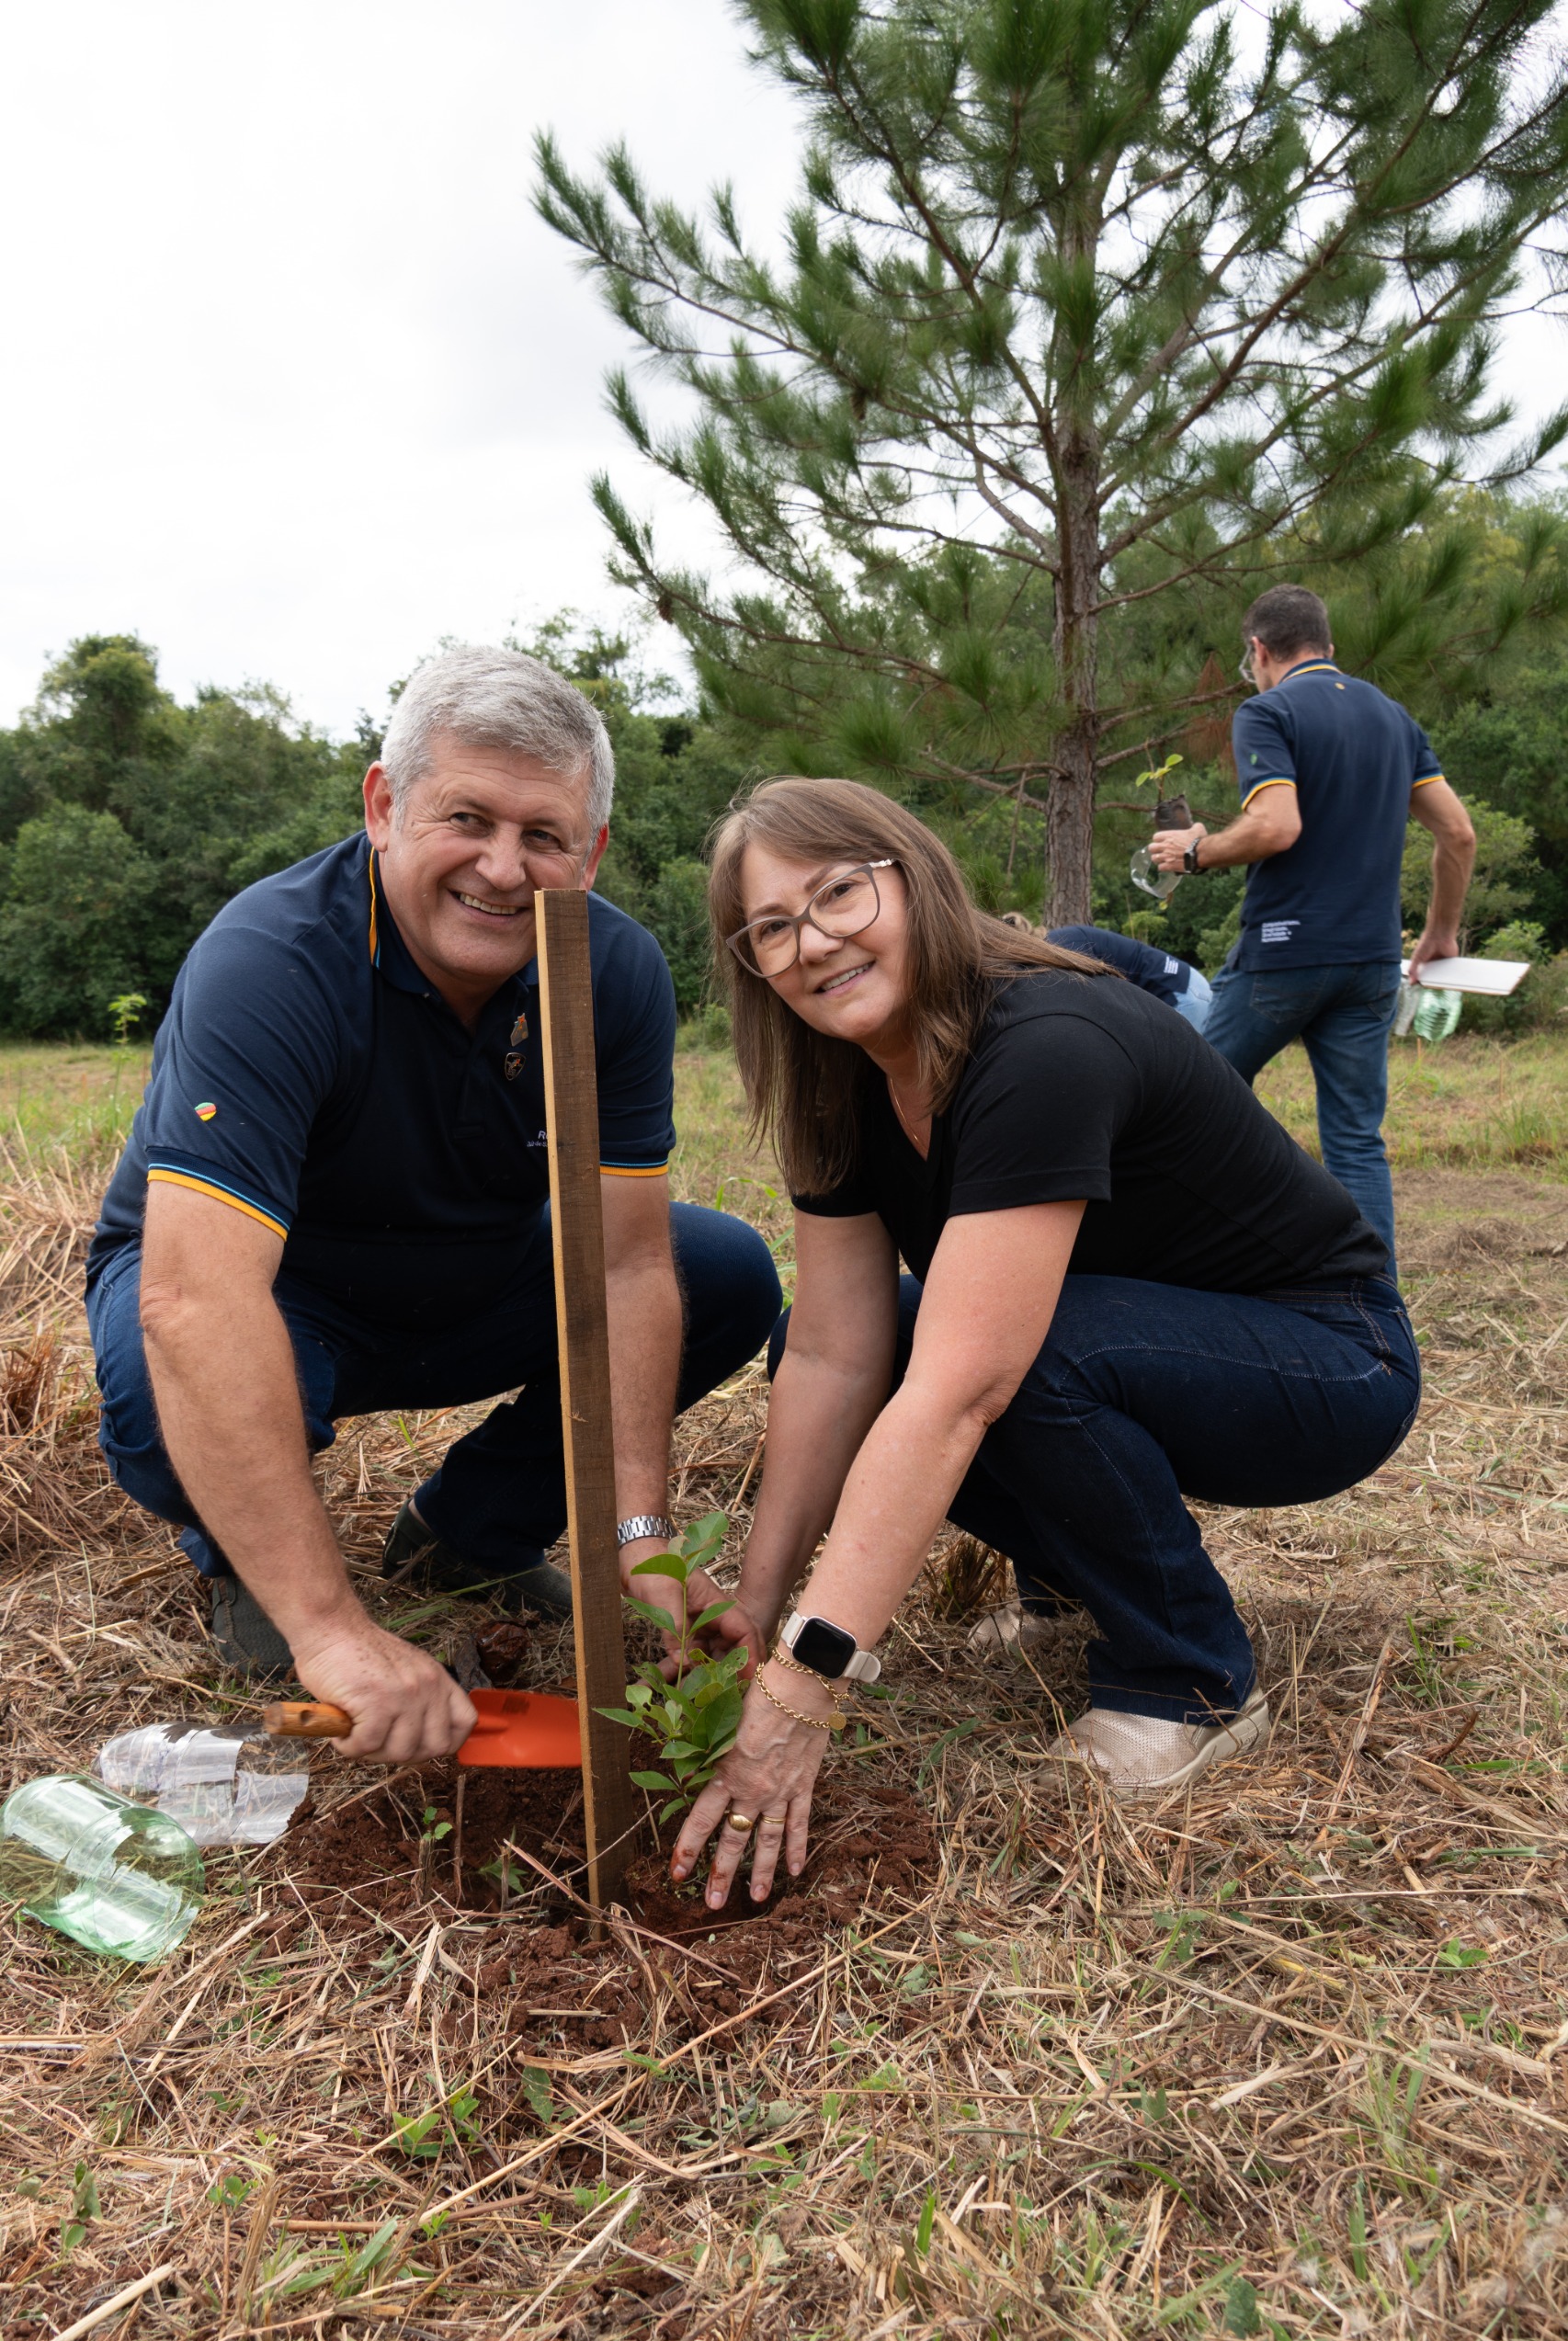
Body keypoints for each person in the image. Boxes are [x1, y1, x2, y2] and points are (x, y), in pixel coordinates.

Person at [666, 776, 1420, 1913]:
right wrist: (759, 1607)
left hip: (1328, 1358)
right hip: (1138, 1342)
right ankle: (1076, 1583)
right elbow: (830, 1354)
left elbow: (964, 1387)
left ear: (911, 879)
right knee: (889, 1337)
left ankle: (1188, 1681)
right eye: (771, 927)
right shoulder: (841, 1088)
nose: (812, 942)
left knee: (1007, 1356)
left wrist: (802, 1690)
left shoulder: (1040, 1040)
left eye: (836, 894)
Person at [85, 647, 780, 1763]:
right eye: (467, 817)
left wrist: (639, 1540)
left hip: (477, 1272)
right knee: (154, 1382)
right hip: (281, 1294)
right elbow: (196, 1299)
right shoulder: (275, 960)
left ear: (590, 852)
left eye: (543, 835)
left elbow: (626, 1268)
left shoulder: (610, 972)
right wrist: (334, 1629)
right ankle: (252, 1568)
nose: (502, 870)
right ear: (383, 806)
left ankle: (468, 1534)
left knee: (725, 1273)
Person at [1143, 585, 1476, 1266]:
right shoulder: (1394, 719)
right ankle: (1374, 1310)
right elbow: (1460, 834)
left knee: (1190, 1100)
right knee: (1356, 1141)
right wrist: (1441, 931)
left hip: (1284, 953)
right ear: (1329, 645)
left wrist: (1196, 851)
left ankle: (1184, 1263)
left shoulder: (1269, 711)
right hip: (1373, 961)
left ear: (1259, 651)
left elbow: (1277, 826)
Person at [1043, 924, 1212, 1033]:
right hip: (1186, 987)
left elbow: (1095, 1000)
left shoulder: (1062, 945)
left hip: (1180, 993)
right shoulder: (1062, 939)